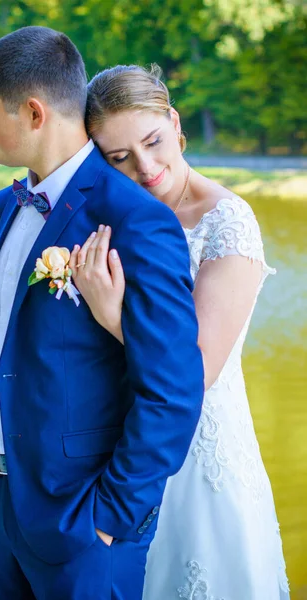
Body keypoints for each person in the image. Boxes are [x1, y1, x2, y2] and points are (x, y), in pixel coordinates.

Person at [0, 28, 204, 600]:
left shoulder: (135, 220)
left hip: (84, 517)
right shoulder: (3, 205)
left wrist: (109, 517)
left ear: (32, 112)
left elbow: (173, 388)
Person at [68, 64, 290, 599]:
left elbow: (200, 368)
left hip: (202, 454)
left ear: (174, 121)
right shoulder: (110, 219)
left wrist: (112, 315)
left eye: (153, 142)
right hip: (116, 449)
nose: (144, 168)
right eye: (118, 157)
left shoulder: (227, 221)